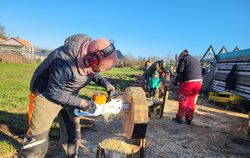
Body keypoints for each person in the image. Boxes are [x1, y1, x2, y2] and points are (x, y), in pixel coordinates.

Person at [19, 34, 117, 158]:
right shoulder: (64, 62)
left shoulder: (90, 61)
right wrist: (82, 103)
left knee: (73, 133)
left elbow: (94, 73)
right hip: (45, 95)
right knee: (37, 140)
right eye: (95, 67)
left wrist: (107, 84)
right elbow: (53, 92)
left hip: (69, 94)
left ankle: (71, 155)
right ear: (90, 58)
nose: (95, 70)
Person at [172, 49, 202, 124]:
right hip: (199, 82)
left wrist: (177, 78)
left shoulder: (184, 59)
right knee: (191, 100)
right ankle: (189, 119)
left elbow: (179, 70)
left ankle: (179, 118)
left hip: (189, 82)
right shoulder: (195, 59)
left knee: (184, 99)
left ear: (181, 55)